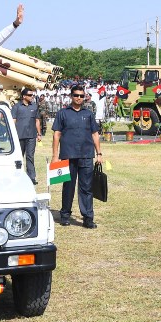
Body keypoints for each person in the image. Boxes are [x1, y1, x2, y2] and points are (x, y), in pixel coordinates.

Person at [52, 85, 102, 228]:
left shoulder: (89, 114)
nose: (78, 98)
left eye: (81, 96)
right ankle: (65, 215)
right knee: (68, 186)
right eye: (76, 95)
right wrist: (55, 156)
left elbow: (95, 134)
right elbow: (56, 134)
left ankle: (87, 218)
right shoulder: (63, 113)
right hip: (68, 154)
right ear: (71, 96)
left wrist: (99, 153)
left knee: (86, 188)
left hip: (86, 155)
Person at [12, 88, 42, 184]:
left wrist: (39, 133)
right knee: (19, 157)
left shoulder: (34, 106)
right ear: (24, 96)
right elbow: (13, 121)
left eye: (32, 95)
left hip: (31, 136)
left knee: (30, 156)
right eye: (30, 95)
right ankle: (17, 176)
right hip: (19, 136)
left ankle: (31, 177)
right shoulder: (16, 107)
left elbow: (37, 120)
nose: (32, 97)